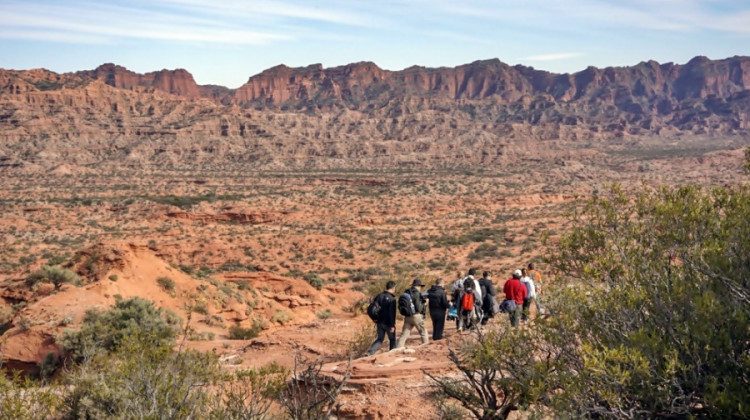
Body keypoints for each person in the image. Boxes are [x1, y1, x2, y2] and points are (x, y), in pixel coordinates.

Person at [366, 281, 397, 355]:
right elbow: (392, 313)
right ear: (393, 288)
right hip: (388, 323)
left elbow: (373, 308)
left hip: (379, 322)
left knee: (380, 339)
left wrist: (374, 318)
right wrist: (392, 325)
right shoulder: (392, 299)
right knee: (392, 339)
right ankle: (392, 354)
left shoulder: (379, 296)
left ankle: (370, 352)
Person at [396, 279, 429, 348]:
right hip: (416, 316)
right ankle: (426, 347)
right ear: (418, 286)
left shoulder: (407, 292)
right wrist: (425, 304)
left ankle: (398, 347)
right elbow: (419, 308)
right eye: (420, 286)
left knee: (404, 334)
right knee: (423, 332)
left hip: (408, 316)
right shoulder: (416, 293)